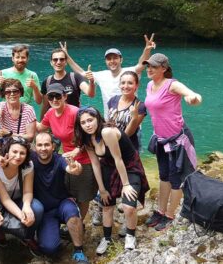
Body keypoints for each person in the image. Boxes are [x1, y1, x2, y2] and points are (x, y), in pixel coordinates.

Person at [74, 107, 149, 253]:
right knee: (106, 204)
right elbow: (96, 164)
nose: (87, 125)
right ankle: (107, 238)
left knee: (128, 206)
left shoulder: (106, 132)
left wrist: (126, 184)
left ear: (98, 119)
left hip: (128, 166)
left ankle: (130, 235)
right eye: (83, 122)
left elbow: (118, 158)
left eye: (90, 120)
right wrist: (101, 189)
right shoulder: (87, 138)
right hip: (108, 166)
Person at [142, 53, 202, 232]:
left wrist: (193, 98)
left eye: (153, 66)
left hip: (178, 140)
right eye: (148, 66)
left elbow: (192, 94)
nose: (149, 69)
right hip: (161, 139)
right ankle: (160, 211)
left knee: (176, 179)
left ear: (164, 68)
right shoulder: (149, 85)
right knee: (164, 176)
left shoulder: (172, 84)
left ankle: (170, 215)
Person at [36, 84, 97, 220]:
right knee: (69, 193)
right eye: (51, 97)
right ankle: (70, 218)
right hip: (66, 159)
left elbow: (88, 133)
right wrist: (23, 114)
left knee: (82, 196)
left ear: (64, 96)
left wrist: (77, 150)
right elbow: (40, 127)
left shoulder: (75, 112)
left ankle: (79, 222)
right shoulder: (51, 113)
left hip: (84, 159)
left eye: (58, 96)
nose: (54, 99)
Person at [61, 34, 156, 114]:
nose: (112, 61)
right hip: (110, 123)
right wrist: (67, 56)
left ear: (121, 60)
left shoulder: (130, 72)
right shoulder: (101, 75)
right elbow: (81, 72)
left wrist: (147, 50)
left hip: (130, 121)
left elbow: (141, 64)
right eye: (109, 59)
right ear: (106, 61)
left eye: (115, 58)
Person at [31, 132, 89, 263]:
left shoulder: (59, 159)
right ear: (35, 147)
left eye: (47, 144)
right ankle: (57, 232)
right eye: (40, 145)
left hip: (62, 203)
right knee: (49, 248)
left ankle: (79, 251)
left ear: (53, 146)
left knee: (72, 214)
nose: (43, 148)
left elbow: (72, 168)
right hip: (45, 211)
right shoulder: (30, 160)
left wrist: (76, 167)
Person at [0, 137, 44, 253]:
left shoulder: (28, 165)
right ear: (7, 151)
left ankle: (27, 236)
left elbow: (28, 191)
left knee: (37, 209)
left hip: (19, 198)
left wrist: (27, 206)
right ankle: (0, 233)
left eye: (22, 153)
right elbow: (5, 199)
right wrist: (21, 215)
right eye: (14, 152)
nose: (18, 156)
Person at [40, 47, 95, 118]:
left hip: (74, 120)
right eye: (55, 60)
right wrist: (42, 124)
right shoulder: (47, 81)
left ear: (66, 62)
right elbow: (45, 105)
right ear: (51, 62)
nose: (58, 62)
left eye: (61, 59)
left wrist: (91, 82)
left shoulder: (75, 77)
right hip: (55, 122)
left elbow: (90, 94)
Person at [0, 79, 37, 158]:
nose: (12, 94)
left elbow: (30, 137)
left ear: (20, 92)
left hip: (22, 150)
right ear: (4, 94)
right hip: (4, 149)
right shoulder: (1, 106)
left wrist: (10, 134)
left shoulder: (28, 110)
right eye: (8, 92)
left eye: (15, 91)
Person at [106, 71, 147, 152]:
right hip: (111, 144)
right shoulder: (113, 100)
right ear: (119, 85)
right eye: (123, 83)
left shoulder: (140, 106)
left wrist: (134, 118)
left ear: (137, 85)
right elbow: (109, 123)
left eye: (130, 83)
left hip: (128, 147)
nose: (126, 86)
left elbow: (130, 133)